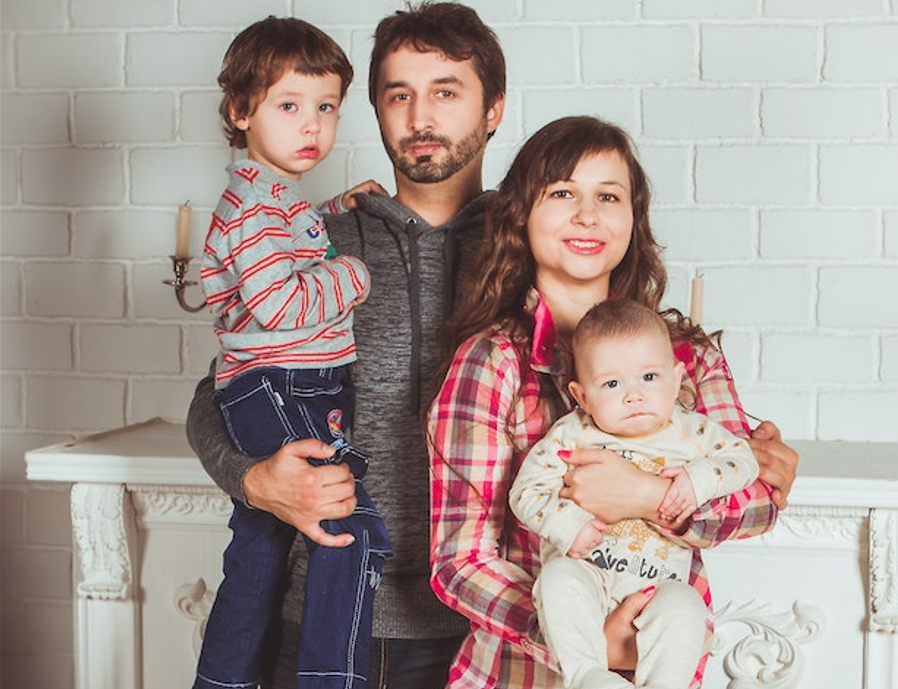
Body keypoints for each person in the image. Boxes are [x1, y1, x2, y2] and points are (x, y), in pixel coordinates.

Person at [187, 5, 798, 688]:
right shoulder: (324, 240)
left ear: (494, 109)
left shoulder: (547, 240)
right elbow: (227, 389)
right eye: (399, 95)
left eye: (446, 92)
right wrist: (254, 480)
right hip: (331, 609)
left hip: (488, 635)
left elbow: (676, 426)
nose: (421, 116)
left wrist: (709, 475)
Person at [427, 115, 798, 689]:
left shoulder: (688, 359)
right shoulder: (492, 361)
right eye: (562, 193)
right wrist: (581, 638)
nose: (588, 214)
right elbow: (460, 561)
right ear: (522, 215)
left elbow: (756, 502)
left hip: (661, 651)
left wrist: (651, 496)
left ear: (632, 218)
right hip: (518, 673)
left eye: (608, 195)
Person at [193, 16, 390, 689]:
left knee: (258, 546)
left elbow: (293, 243)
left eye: (326, 107)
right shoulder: (251, 207)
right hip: (282, 383)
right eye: (289, 105)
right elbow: (280, 305)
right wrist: (353, 274)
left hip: (281, 382)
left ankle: (223, 680)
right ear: (240, 110)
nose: (312, 125)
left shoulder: (276, 199)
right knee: (348, 531)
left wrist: (337, 208)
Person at [509, 299, 760, 689]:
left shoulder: (689, 431)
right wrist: (569, 524)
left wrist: (698, 480)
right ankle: (586, 676)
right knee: (557, 580)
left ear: (677, 379)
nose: (633, 395)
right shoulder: (571, 433)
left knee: (686, 607)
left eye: (649, 377)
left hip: (658, 584)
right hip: (587, 573)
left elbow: (743, 461)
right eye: (612, 383)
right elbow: (525, 492)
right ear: (582, 395)